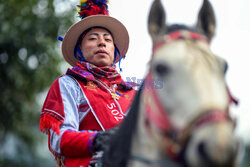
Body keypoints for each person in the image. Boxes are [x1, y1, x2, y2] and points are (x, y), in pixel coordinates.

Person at [39, 0, 137, 166]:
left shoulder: (132, 92)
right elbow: (59, 138)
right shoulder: (69, 84)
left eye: (108, 39)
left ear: (115, 50)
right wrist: (97, 139)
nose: (102, 43)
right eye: (93, 38)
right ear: (80, 50)